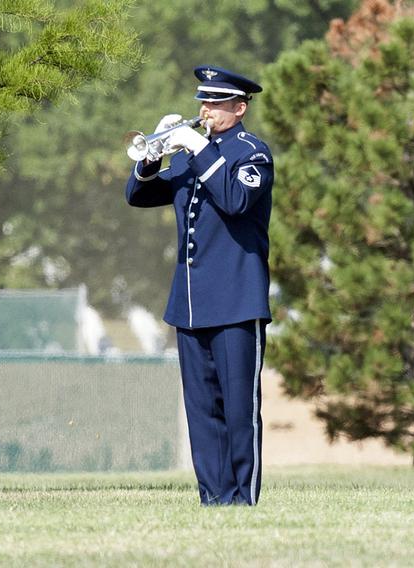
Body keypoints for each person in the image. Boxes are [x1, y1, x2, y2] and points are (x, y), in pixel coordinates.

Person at [125, 65, 273, 506]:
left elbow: (235, 199)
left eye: (216, 103)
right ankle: (213, 497)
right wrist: (154, 152)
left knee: (238, 411)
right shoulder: (192, 156)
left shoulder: (252, 153)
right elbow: (138, 195)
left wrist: (197, 147)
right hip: (190, 304)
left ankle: (242, 498)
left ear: (239, 108)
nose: (205, 110)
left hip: (236, 301)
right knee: (202, 413)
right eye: (202, 103)